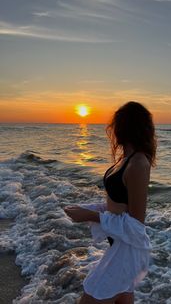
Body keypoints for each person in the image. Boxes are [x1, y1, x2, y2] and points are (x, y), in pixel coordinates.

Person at [64, 101, 157, 304]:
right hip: (118, 244)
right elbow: (118, 204)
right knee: (123, 297)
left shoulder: (138, 163)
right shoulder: (125, 159)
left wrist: (89, 216)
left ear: (126, 126)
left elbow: (136, 225)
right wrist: (86, 209)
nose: (112, 129)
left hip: (127, 249)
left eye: (117, 123)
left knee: (90, 298)